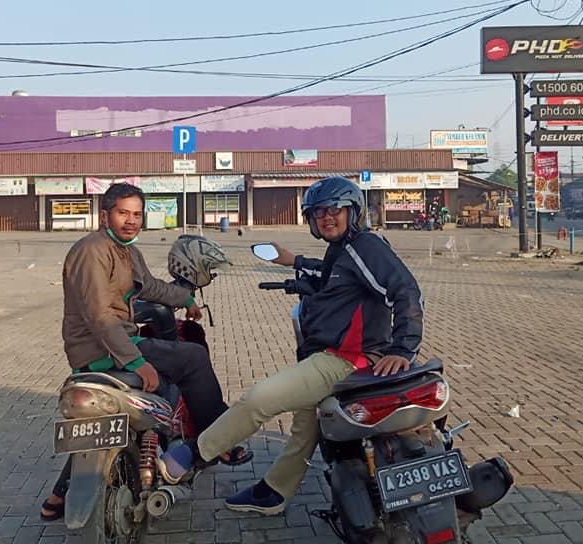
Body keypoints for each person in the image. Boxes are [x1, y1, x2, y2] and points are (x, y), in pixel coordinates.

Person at [158, 176, 424, 515]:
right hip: (336, 355)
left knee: (258, 399)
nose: (327, 218)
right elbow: (331, 275)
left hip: (346, 360)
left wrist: (403, 348)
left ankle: (193, 453)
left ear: (353, 211)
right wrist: (294, 262)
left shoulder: (365, 245)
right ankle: (275, 491)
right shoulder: (345, 249)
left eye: (335, 210)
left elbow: (406, 290)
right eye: (319, 213)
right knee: (303, 428)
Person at [41, 183, 251, 521]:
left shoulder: (126, 250)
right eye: (123, 213)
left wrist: (187, 299)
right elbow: (100, 316)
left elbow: (150, 287)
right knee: (192, 358)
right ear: (105, 215)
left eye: (137, 214)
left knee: (116, 418)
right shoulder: (92, 251)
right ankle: (217, 439)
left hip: (112, 344)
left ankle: (57, 497)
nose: (131, 221)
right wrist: (137, 362)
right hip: (101, 349)